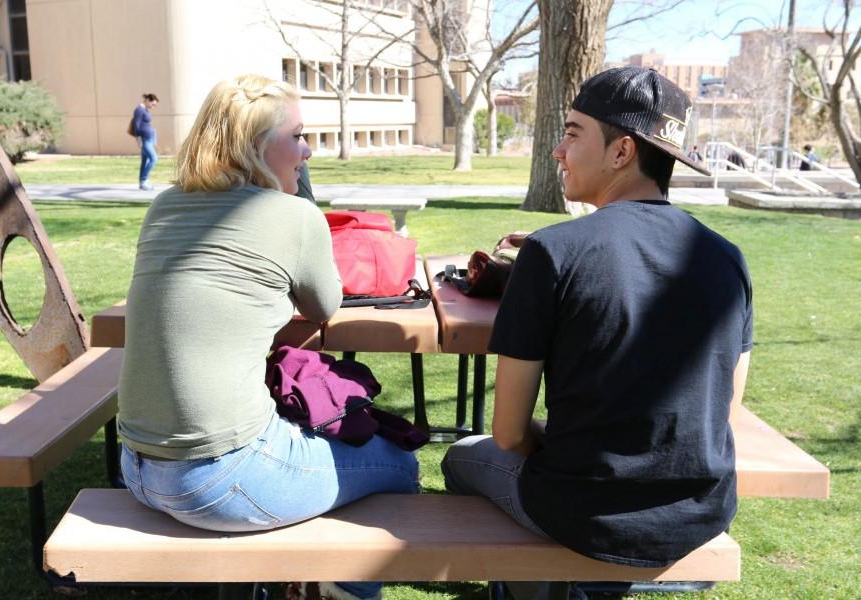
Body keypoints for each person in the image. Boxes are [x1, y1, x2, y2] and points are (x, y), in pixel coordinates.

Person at [441, 67, 753, 598]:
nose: (559, 151)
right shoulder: (728, 258)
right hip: (699, 510)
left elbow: (510, 434)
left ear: (621, 152)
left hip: (584, 510)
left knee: (459, 457)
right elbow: (724, 409)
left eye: (572, 132)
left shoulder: (551, 253)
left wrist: (569, 440)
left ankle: (536, 587)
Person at [117, 74, 418, 600]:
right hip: (216, 479)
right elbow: (324, 305)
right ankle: (342, 587)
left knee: (301, 427)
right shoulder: (293, 214)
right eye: (298, 137)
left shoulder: (163, 206)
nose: (306, 151)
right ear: (256, 147)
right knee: (400, 464)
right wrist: (298, 196)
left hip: (136, 468)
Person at [133, 93, 159, 190]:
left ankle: (142, 182)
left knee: (144, 161)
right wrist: (138, 139)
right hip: (145, 139)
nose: (153, 107)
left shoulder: (144, 110)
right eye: (153, 104)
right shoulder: (139, 110)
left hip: (149, 139)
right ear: (148, 100)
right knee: (154, 158)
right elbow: (136, 125)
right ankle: (144, 180)